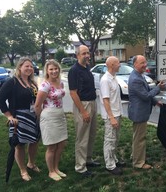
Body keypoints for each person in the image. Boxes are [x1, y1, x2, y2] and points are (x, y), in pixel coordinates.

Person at [0, 57, 40, 181]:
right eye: (26, 66)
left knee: (34, 141)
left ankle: (31, 163)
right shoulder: (12, 82)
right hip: (19, 118)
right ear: (19, 67)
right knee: (20, 145)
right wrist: (9, 116)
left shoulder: (32, 83)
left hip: (32, 117)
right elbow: (0, 99)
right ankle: (23, 170)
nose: (29, 68)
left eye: (31, 66)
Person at [128, 55, 165, 169]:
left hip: (139, 111)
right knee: (140, 138)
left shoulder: (139, 75)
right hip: (139, 113)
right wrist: (158, 87)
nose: (145, 65)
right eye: (142, 63)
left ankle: (135, 155)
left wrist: (156, 102)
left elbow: (147, 91)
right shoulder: (135, 79)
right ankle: (138, 163)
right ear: (135, 64)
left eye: (145, 62)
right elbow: (146, 96)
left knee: (137, 136)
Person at [68, 45, 99, 177]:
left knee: (91, 134)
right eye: (84, 53)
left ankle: (88, 159)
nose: (87, 55)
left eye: (88, 53)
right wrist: (83, 112)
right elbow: (73, 93)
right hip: (83, 105)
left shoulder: (87, 68)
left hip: (92, 103)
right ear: (77, 55)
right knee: (82, 137)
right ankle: (80, 167)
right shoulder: (74, 71)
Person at [34, 59, 68, 181]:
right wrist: (41, 119)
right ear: (47, 71)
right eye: (51, 69)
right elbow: (37, 105)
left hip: (60, 115)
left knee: (61, 144)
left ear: (59, 69)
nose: (54, 71)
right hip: (49, 116)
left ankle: (56, 167)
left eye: (56, 68)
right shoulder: (45, 85)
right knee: (52, 146)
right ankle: (51, 171)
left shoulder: (61, 83)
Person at [99, 56, 125, 175]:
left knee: (115, 139)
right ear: (111, 65)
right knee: (109, 140)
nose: (120, 65)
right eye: (118, 63)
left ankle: (114, 160)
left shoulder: (114, 78)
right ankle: (110, 165)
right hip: (111, 117)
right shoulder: (105, 80)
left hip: (117, 114)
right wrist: (111, 117)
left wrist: (119, 114)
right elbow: (106, 100)